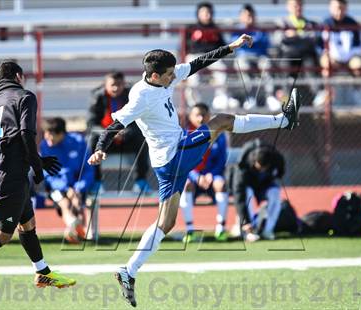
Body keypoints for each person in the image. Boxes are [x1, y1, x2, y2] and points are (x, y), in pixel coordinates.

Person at [87, 34, 301, 307]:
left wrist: (232, 47)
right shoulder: (140, 96)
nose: (172, 77)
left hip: (166, 163)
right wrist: (101, 148)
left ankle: (128, 271)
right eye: (168, 75)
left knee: (166, 222)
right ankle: (284, 120)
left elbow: (199, 63)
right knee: (222, 121)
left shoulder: (161, 76)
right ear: (153, 75)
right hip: (175, 153)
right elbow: (114, 125)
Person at [0, 60, 76, 289]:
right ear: (18, 76)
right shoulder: (24, 96)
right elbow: (25, 134)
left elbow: (11, 140)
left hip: (3, 169)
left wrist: (36, 160)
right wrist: (38, 170)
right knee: (2, 234)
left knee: (27, 223)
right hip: (13, 174)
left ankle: (43, 272)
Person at [87, 70, 150, 192]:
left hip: (126, 140)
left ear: (124, 84)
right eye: (112, 85)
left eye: (119, 84)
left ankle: (140, 181)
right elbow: (91, 124)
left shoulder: (132, 96)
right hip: (105, 143)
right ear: (105, 85)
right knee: (91, 141)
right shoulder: (97, 98)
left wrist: (126, 133)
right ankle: (97, 182)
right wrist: (110, 134)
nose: (116, 88)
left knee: (142, 139)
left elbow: (139, 121)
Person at [40, 117, 95, 244]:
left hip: (78, 185)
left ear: (61, 134)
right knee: (64, 203)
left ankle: (76, 231)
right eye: (45, 134)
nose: (47, 138)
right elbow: (47, 174)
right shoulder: (44, 146)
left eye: (50, 135)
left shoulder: (79, 142)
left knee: (78, 201)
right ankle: (74, 226)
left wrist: (78, 188)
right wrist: (66, 188)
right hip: (56, 186)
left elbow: (88, 169)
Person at [179, 103, 229, 242]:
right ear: (190, 117)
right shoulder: (184, 135)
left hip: (212, 176)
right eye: (197, 115)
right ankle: (190, 231)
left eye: (204, 114)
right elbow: (183, 162)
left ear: (209, 116)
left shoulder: (218, 134)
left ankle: (221, 229)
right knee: (185, 185)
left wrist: (211, 175)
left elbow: (221, 159)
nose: (200, 118)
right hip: (193, 176)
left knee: (221, 184)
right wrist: (196, 177)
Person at [232, 139, 285, 242]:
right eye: (258, 168)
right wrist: (245, 221)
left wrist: (264, 197)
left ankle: (267, 230)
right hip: (248, 185)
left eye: (264, 169)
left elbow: (279, 174)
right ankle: (248, 230)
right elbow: (239, 196)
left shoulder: (277, 159)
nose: (261, 171)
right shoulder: (243, 164)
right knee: (248, 193)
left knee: (275, 193)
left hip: (264, 184)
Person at [319, 0, 361, 105]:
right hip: (332, 57)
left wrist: (348, 57)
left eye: (341, 8)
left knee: (358, 64)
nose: (339, 12)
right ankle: (326, 92)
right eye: (336, 8)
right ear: (331, 8)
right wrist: (330, 55)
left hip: (350, 57)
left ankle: (356, 92)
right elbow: (320, 45)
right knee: (326, 64)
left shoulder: (352, 23)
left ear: (346, 8)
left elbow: (358, 45)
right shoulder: (325, 23)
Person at [185, 2, 229, 108]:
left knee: (222, 70)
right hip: (195, 57)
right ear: (198, 14)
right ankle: (195, 103)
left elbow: (223, 46)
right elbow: (184, 47)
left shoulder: (216, 29)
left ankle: (220, 98)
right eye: (204, 12)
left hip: (213, 57)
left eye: (209, 12)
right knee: (193, 77)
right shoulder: (191, 28)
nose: (207, 15)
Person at [230, 4, 272, 108]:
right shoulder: (237, 31)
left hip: (259, 57)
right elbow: (234, 44)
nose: (249, 18)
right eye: (246, 15)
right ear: (241, 17)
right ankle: (250, 97)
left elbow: (265, 44)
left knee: (267, 64)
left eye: (251, 15)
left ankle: (270, 96)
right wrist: (251, 41)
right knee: (243, 65)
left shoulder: (260, 30)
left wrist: (250, 41)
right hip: (243, 57)